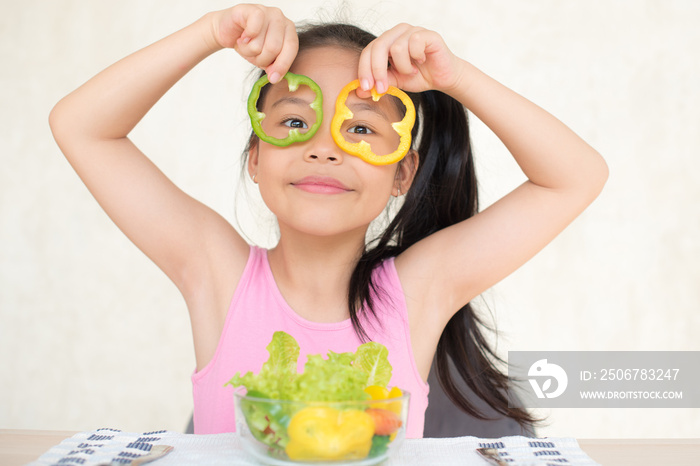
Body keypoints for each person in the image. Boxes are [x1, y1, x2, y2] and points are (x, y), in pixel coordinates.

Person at [49, 4, 608, 438]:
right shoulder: (214, 271)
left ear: (401, 173)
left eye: (360, 128)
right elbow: (81, 125)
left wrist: (454, 77)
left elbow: (575, 175)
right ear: (256, 158)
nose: (323, 149)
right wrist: (210, 32)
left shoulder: (419, 289)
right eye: (294, 121)